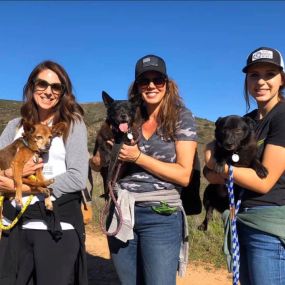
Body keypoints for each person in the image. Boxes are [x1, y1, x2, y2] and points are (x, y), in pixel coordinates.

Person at [91, 54, 198, 285]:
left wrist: (138, 157)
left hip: (160, 212)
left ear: (166, 84)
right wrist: (98, 159)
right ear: (137, 86)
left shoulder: (181, 117)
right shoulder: (127, 114)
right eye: (144, 81)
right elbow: (98, 160)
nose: (151, 85)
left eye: (157, 80)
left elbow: (184, 175)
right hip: (121, 209)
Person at [0, 60, 89, 285]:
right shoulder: (15, 126)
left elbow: (77, 176)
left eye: (56, 87)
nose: (48, 91)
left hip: (56, 226)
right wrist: (10, 178)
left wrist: (25, 186)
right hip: (16, 226)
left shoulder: (73, 124)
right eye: (42, 84)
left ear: (63, 92)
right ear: (32, 87)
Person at [204, 47, 285, 285]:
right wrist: (213, 162)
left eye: (269, 74)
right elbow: (213, 161)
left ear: (282, 79)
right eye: (254, 75)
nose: (261, 81)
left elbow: (264, 182)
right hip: (243, 218)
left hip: (268, 225)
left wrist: (216, 165)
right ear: (247, 80)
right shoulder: (249, 120)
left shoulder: (282, 116)